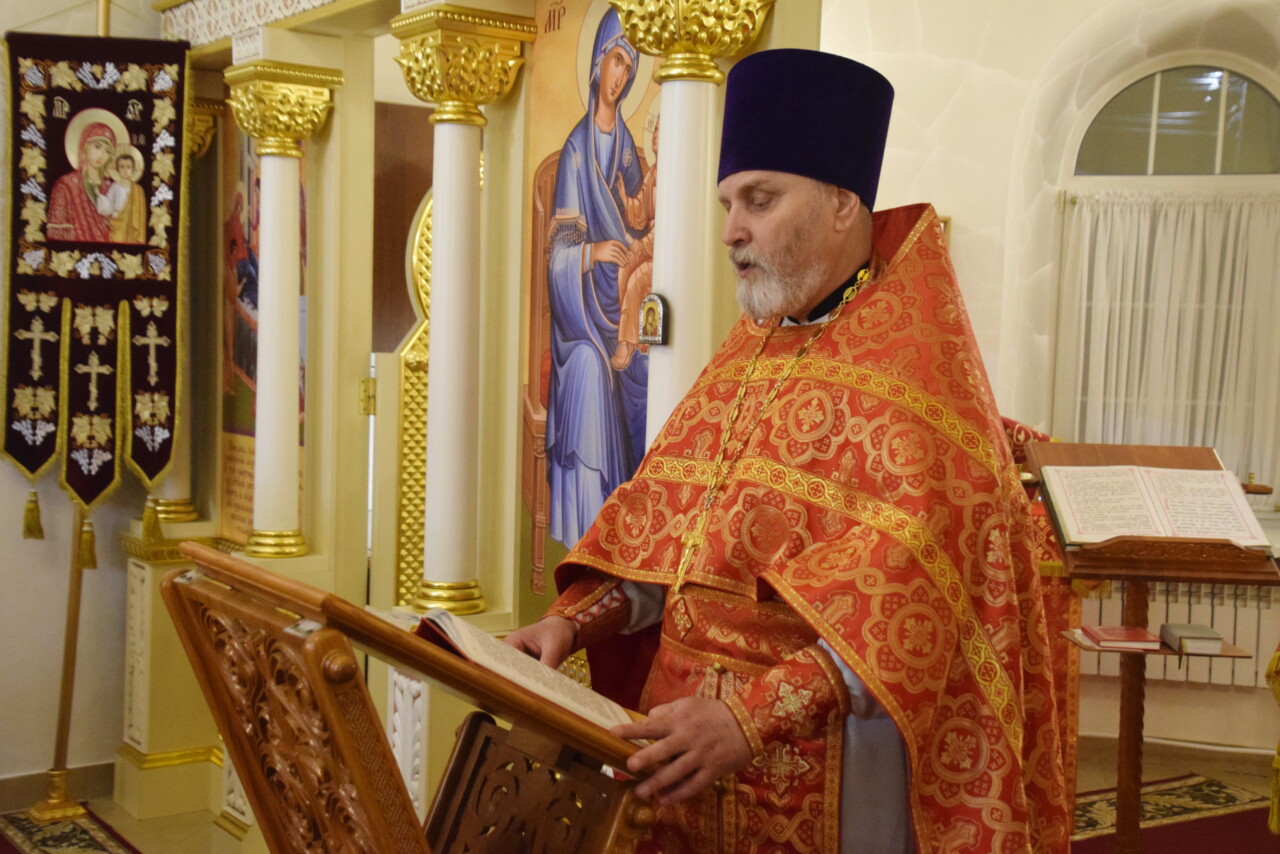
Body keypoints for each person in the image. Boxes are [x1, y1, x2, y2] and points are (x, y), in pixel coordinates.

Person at [506, 49, 1070, 853]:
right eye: (728, 202)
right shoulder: (752, 348)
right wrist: (571, 625)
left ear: (842, 203)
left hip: (827, 772)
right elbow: (671, 542)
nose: (731, 230)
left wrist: (748, 719)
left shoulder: (919, 376)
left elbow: (910, 613)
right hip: (673, 760)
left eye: (760, 200)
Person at [544, 8, 650, 547]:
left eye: (628, 67)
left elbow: (643, 215)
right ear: (596, 64)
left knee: (648, 372)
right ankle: (587, 531)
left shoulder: (625, 145)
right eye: (614, 62)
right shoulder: (575, 152)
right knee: (589, 369)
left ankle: (632, 530)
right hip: (580, 319)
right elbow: (557, 255)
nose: (620, 77)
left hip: (619, 304)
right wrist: (593, 252)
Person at [48, 119, 117, 242]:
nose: (101, 155)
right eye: (97, 147)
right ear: (85, 146)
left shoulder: (112, 187)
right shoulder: (66, 185)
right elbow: (56, 231)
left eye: (107, 151)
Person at [96, 145, 147, 244]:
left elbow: (141, 214)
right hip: (117, 223)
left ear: (133, 169)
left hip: (131, 224)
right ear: (117, 169)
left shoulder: (138, 190)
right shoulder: (114, 186)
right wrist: (99, 195)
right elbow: (109, 205)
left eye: (128, 167)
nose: (125, 170)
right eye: (122, 167)